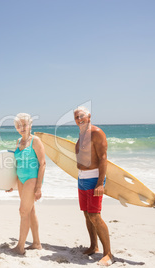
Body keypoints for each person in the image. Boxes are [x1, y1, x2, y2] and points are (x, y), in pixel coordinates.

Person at [74, 106, 113, 266]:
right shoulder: (81, 134)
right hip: (82, 179)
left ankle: (108, 254)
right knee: (86, 215)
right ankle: (93, 246)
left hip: (94, 178)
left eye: (81, 116)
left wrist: (100, 183)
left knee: (95, 216)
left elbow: (103, 158)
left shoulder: (97, 132)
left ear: (89, 116)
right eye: (76, 117)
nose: (79, 119)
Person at [8, 113, 46, 255]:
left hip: (32, 178)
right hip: (20, 179)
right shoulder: (18, 141)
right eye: (19, 125)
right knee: (30, 211)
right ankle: (36, 243)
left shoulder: (35, 141)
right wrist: (10, 184)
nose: (22, 128)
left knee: (23, 211)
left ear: (30, 125)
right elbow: (15, 165)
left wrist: (39, 187)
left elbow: (42, 164)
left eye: (24, 124)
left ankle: (20, 246)